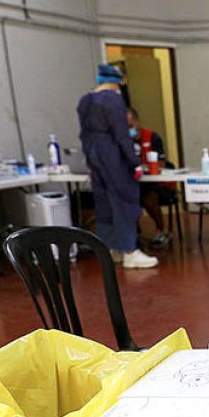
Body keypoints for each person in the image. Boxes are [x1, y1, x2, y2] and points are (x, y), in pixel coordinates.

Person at [77, 64, 158, 269]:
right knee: (124, 200)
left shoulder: (85, 101)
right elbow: (121, 136)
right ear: (117, 81)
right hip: (111, 154)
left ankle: (111, 249)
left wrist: (91, 161)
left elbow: (84, 134)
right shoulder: (113, 100)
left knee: (103, 203)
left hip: (94, 155)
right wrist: (134, 163)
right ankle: (130, 251)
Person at [126, 107, 173, 248]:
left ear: (136, 121)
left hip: (154, 184)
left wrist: (145, 166)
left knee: (148, 197)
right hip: (131, 183)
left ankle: (161, 231)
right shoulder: (122, 141)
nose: (128, 130)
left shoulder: (152, 137)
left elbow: (162, 163)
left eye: (130, 126)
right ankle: (132, 233)